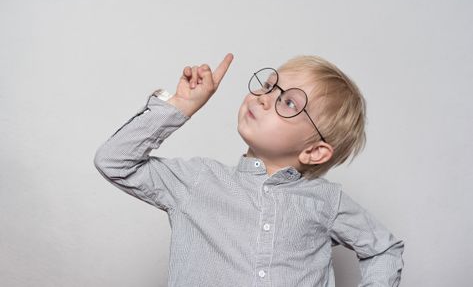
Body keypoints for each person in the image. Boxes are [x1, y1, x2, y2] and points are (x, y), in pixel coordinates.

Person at [94, 53, 404, 286]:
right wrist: (180, 106)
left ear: (314, 151)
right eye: (269, 86)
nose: (265, 98)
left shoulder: (326, 200)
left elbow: (383, 249)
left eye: (290, 103)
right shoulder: (199, 181)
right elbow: (114, 161)